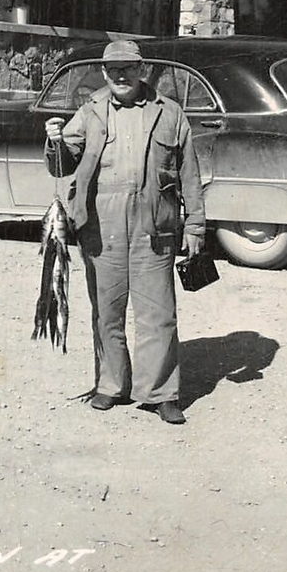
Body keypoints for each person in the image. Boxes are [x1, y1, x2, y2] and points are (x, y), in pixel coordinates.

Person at [44, 39, 205, 425]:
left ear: (142, 69)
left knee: (159, 314)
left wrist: (196, 225)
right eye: (112, 69)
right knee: (107, 311)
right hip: (102, 227)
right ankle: (111, 384)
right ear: (103, 72)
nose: (120, 75)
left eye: (128, 68)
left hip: (156, 225)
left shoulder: (170, 113)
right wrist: (53, 142)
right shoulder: (90, 112)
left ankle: (161, 392)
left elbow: (190, 176)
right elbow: (61, 165)